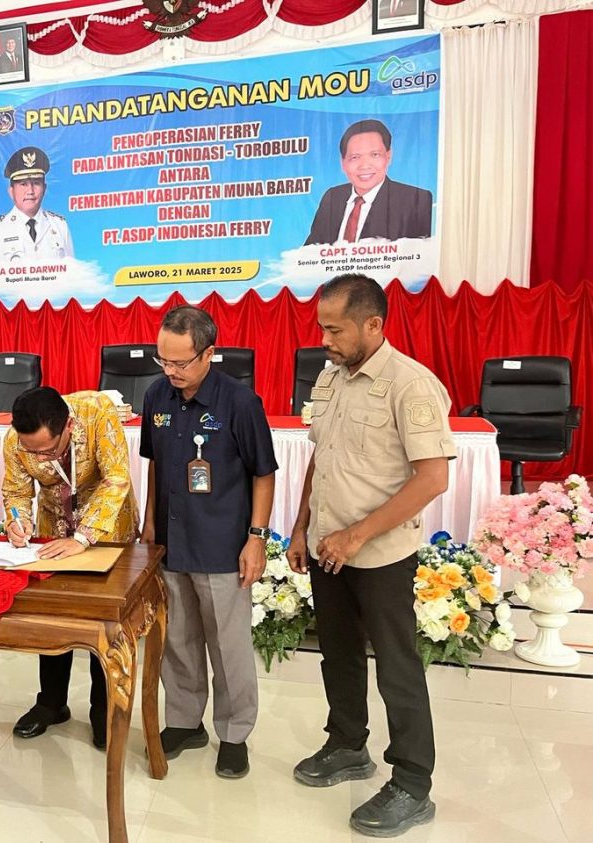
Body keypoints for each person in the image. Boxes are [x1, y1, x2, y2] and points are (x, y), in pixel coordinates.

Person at [286, 274, 453, 837]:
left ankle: (412, 782)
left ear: (373, 324)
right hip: (330, 546)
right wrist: (301, 525)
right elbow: (321, 456)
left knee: (397, 667)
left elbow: (432, 479)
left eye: (335, 329)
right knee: (338, 654)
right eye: (322, 328)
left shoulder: (411, 385)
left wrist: (357, 535)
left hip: (380, 553)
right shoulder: (332, 380)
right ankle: (347, 744)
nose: (325, 340)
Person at [140, 305, 277, 779]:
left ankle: (235, 732)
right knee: (177, 640)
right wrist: (149, 524)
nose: (171, 372)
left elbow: (264, 473)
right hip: (172, 542)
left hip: (222, 543)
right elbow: (156, 463)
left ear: (209, 354)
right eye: (164, 361)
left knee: (228, 644)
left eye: (181, 362)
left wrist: (256, 538)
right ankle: (184, 721)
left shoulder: (240, 403)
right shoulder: (156, 396)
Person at [2, 387, 139, 749]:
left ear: (69, 426)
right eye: (33, 451)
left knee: (101, 622)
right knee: (53, 621)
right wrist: (17, 521)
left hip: (107, 530)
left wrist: (84, 537)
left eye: (48, 449)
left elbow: (116, 478)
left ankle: (102, 709)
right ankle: (50, 703)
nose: (40, 457)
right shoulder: (16, 439)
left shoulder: (97, 413)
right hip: (54, 533)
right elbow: (16, 492)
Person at [304, 119, 433, 245]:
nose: (365, 166)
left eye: (375, 155)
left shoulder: (415, 200)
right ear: (342, 163)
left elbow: (418, 259)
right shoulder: (332, 197)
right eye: (355, 157)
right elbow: (310, 253)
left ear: (388, 156)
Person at [0, 146, 75, 264]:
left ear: (44, 188)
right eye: (23, 184)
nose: (30, 191)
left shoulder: (60, 226)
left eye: (36, 183)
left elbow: (71, 277)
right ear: (11, 191)